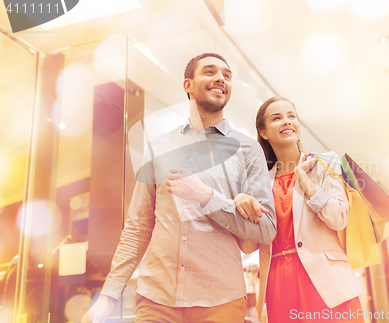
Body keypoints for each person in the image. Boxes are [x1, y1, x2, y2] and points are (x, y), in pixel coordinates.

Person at [81, 53, 277, 323]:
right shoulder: (159, 146)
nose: (221, 78)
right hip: (156, 299)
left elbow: (266, 229)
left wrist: (208, 197)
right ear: (188, 85)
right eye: (210, 71)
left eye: (227, 75)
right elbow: (138, 226)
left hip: (220, 300)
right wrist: (108, 297)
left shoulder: (248, 150)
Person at [239, 97, 366, 322]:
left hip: (328, 282)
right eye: (277, 118)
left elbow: (339, 218)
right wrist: (241, 203)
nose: (287, 122)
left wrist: (305, 182)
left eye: (291, 116)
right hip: (280, 284)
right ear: (264, 132)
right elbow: (249, 246)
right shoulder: (258, 182)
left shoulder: (325, 163)